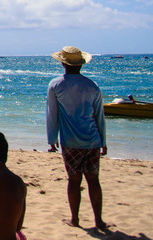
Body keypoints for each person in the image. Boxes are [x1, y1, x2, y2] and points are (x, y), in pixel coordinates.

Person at [46, 46, 108, 233]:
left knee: (74, 180)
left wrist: (51, 137)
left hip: (70, 141)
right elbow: (99, 116)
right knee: (93, 180)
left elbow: (52, 114)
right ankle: (99, 221)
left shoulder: (56, 85)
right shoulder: (92, 86)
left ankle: (75, 219)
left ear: (63, 63)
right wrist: (103, 141)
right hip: (93, 140)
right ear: (81, 64)